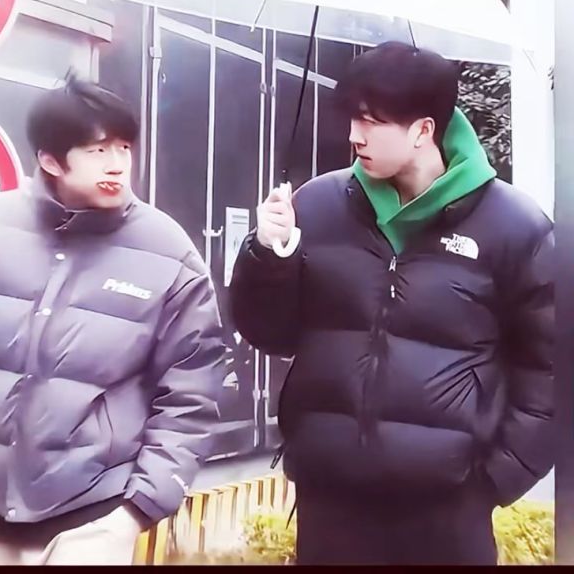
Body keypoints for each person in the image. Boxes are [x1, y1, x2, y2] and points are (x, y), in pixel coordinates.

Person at [0, 75, 225, 565]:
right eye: (97, 150)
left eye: (124, 147)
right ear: (51, 160)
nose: (117, 165)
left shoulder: (169, 253)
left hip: (96, 518)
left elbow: (192, 396)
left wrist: (136, 510)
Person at [229, 41, 554, 565]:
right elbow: (271, 334)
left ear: (423, 130)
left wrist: (496, 478)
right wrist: (270, 254)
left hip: (448, 509)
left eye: (372, 122)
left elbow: (551, 370)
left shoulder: (514, 226)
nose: (354, 135)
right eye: (353, 118)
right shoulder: (318, 204)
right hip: (330, 500)